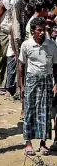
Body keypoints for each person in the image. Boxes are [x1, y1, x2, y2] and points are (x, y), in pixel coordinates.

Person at [19, 17, 57, 156]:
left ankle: (43, 143)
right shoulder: (26, 45)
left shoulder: (51, 45)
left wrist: (56, 84)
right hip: (31, 80)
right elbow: (21, 66)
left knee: (45, 111)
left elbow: (56, 66)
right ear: (33, 31)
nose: (42, 33)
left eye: (43, 30)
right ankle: (28, 143)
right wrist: (22, 85)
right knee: (30, 110)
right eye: (39, 30)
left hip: (47, 80)